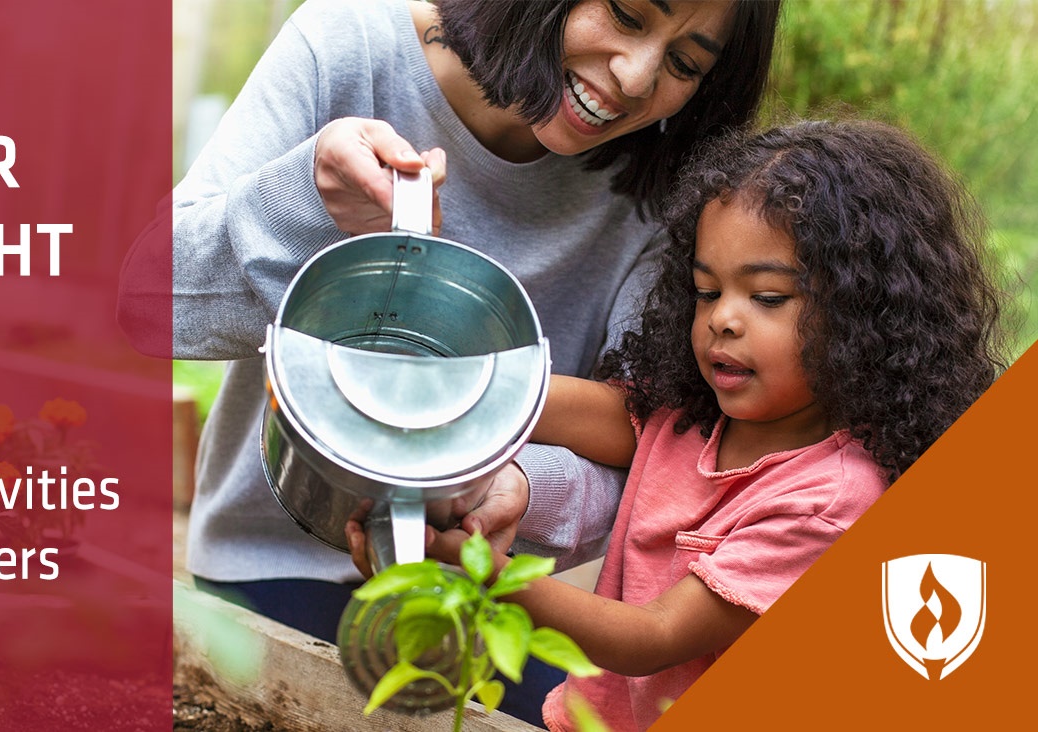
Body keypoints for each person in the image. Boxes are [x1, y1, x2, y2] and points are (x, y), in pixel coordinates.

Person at [119, 0, 779, 722]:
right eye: (625, 14)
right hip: (276, 560)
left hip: (486, 598)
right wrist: (308, 196)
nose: (634, 75)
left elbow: (652, 453)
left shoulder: (660, 197)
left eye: (685, 63)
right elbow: (152, 305)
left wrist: (518, 485)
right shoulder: (351, 46)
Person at [351, 119, 1009, 730]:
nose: (723, 317)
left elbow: (654, 636)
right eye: (707, 291)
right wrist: (466, 391)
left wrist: (488, 580)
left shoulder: (831, 501)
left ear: (864, 316)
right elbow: (605, 415)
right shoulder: (698, 414)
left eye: (768, 298)